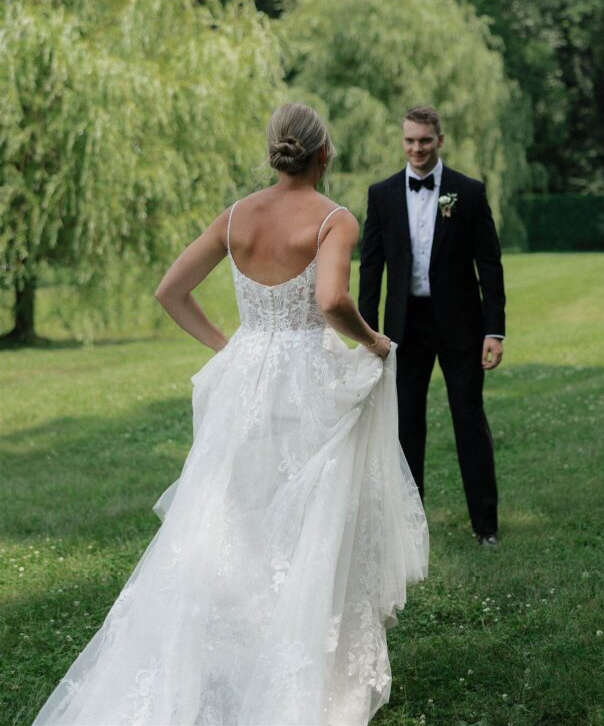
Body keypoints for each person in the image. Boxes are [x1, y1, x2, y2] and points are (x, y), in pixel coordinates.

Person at [31, 102, 428, 726]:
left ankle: (225, 661)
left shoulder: (238, 215)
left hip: (246, 380)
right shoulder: (334, 220)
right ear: (325, 154)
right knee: (306, 520)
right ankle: (297, 669)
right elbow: (330, 300)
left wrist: (233, 348)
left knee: (227, 514)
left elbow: (170, 291)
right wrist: (374, 342)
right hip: (306, 381)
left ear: (277, 150)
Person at [358, 105, 505, 547]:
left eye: (425, 140)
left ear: (440, 141)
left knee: (468, 420)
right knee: (405, 428)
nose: (417, 148)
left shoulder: (468, 192)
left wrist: (493, 331)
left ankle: (486, 527)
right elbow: (371, 269)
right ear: (402, 142)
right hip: (404, 328)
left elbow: (490, 266)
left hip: (461, 325)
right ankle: (408, 529)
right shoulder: (381, 194)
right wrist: (368, 334)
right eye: (409, 141)